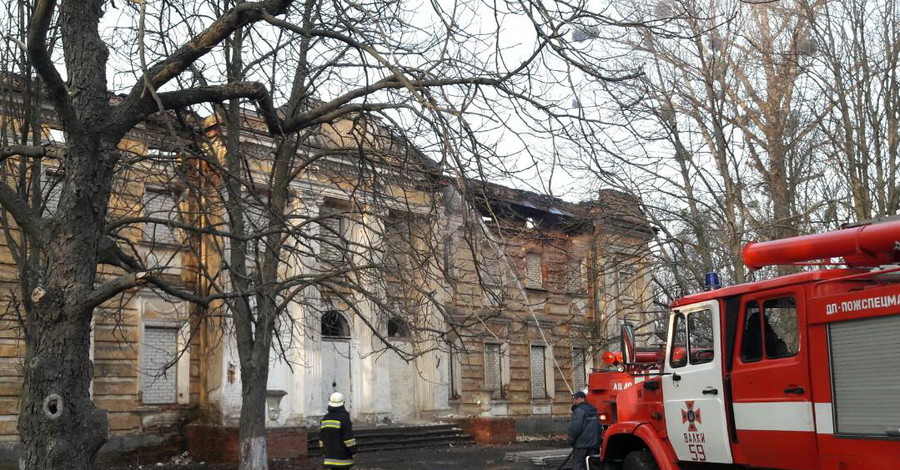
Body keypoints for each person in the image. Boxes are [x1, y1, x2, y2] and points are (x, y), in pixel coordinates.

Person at [320, 392, 358, 468]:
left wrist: (324, 451)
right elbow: (348, 437)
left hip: (329, 457)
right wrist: (354, 451)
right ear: (343, 403)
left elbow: (322, 438)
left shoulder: (326, 418)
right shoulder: (344, 417)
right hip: (343, 458)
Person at [568, 391, 601, 470]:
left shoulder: (579, 411)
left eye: (575, 399)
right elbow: (599, 427)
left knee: (578, 466)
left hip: (581, 444)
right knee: (592, 466)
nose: (574, 401)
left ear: (581, 399)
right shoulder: (593, 410)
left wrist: (570, 439)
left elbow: (576, 427)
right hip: (594, 444)